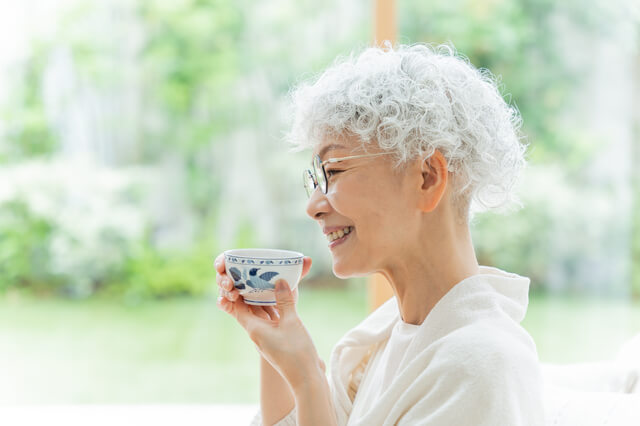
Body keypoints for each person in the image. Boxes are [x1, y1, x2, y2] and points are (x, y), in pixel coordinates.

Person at [215, 43, 544, 425]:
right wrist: (274, 338)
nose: (313, 206)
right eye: (315, 180)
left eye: (334, 172)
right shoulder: (385, 338)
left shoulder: (480, 366)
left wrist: (308, 377)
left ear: (427, 178)